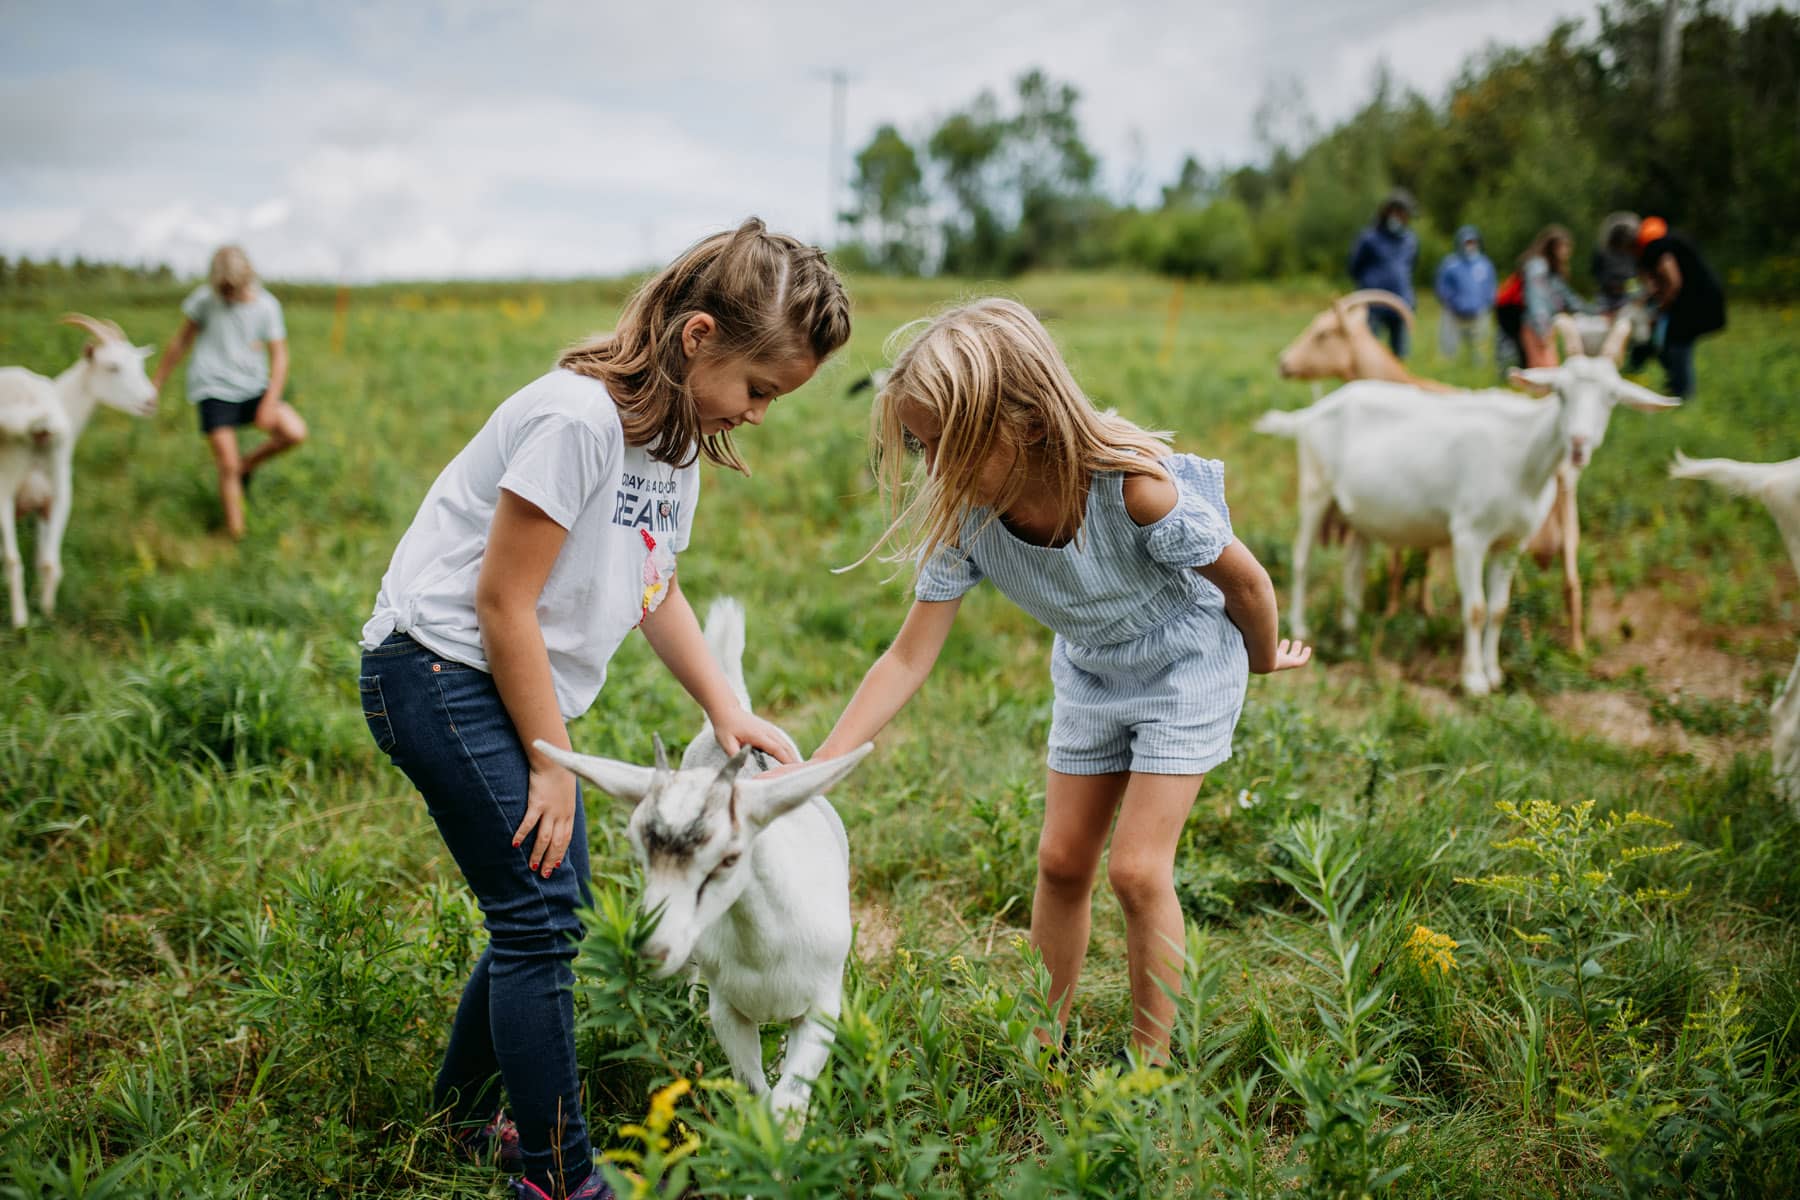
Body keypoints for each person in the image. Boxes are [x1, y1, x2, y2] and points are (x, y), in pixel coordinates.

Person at [356, 219, 850, 1200]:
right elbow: (501, 600)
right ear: (698, 334)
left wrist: (726, 706)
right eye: (759, 389)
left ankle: (461, 1119)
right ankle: (559, 1175)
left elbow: (653, 590)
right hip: (434, 668)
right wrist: (551, 764)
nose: (758, 414)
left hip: (498, 677)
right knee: (543, 909)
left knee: (545, 905)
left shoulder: (676, 456)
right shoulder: (577, 421)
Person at [789, 299, 1311, 1065]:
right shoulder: (965, 519)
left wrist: (1262, 658)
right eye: (921, 446)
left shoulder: (1134, 492)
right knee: (1062, 862)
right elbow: (906, 658)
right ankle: (1045, 1042)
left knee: (1136, 869)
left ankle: (1149, 1068)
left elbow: (1249, 584)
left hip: (1186, 660)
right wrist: (820, 767)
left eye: (951, 446)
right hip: (1093, 669)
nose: (935, 469)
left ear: (1025, 423)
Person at [151, 244, 307, 539]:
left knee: (294, 432)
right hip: (213, 388)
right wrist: (157, 382)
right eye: (222, 290)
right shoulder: (205, 301)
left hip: (254, 386)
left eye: (232, 289)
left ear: (247, 278)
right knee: (226, 464)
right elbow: (180, 342)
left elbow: (280, 356)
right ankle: (237, 536)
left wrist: (269, 402)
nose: (227, 296)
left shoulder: (266, 306)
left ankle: (246, 466)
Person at [1632, 216, 1726, 399]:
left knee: (1678, 343)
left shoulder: (1657, 248)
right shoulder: (1668, 242)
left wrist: (1660, 308)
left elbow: (1673, 281)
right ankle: (1675, 388)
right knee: (1670, 343)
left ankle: (1682, 395)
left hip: (1696, 303)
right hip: (1701, 298)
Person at [1494, 225, 1588, 370]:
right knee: (1535, 359)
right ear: (1553, 247)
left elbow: (1566, 296)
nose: (1567, 251)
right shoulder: (1537, 266)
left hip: (1529, 315)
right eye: (1564, 247)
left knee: (1534, 359)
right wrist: (1542, 327)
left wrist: (1590, 310)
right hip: (1517, 314)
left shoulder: (1551, 269)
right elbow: (1536, 298)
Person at [1347, 189, 1419, 357]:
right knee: (1369, 349)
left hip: (1400, 301)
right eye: (1399, 213)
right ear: (1388, 212)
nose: (1401, 219)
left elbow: (1411, 266)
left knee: (1400, 353)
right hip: (1373, 303)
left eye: (1405, 215)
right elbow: (1354, 267)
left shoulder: (1410, 240)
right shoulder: (1368, 238)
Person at [1433, 224, 1497, 364]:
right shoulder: (1450, 263)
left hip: (1478, 313)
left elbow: (1491, 287)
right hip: (1454, 313)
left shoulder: (1485, 264)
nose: (1470, 245)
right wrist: (1452, 301)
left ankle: (1478, 367)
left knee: (1479, 347)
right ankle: (1448, 366)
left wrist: (1486, 303)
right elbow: (1442, 286)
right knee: (1448, 348)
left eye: (1472, 242)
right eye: (1467, 242)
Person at [1591, 211, 1641, 315]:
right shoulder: (1603, 253)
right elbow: (1598, 276)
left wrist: (1634, 295)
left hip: (1626, 297)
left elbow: (1633, 280)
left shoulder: (1631, 254)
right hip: (1606, 298)